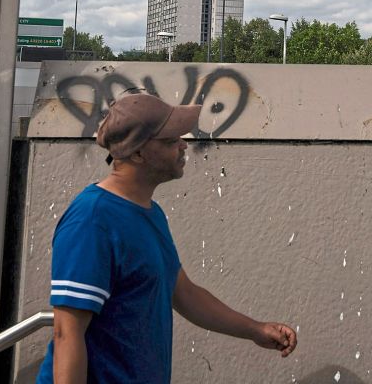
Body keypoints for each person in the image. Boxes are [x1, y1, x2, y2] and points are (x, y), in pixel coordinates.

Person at [36, 92, 297, 384]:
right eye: (171, 140)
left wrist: (255, 330)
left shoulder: (149, 213)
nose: (183, 144)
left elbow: (183, 292)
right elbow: (67, 333)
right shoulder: (92, 220)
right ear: (137, 153)